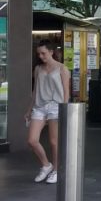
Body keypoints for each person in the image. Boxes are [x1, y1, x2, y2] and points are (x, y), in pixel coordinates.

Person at [25, 40, 70, 184]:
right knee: (32, 140)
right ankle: (46, 165)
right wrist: (29, 109)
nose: (41, 56)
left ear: (51, 52)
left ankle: (56, 170)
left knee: (54, 141)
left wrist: (65, 108)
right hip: (39, 105)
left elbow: (66, 92)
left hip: (56, 106)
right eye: (39, 54)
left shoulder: (62, 68)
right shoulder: (38, 68)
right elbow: (35, 90)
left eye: (43, 53)